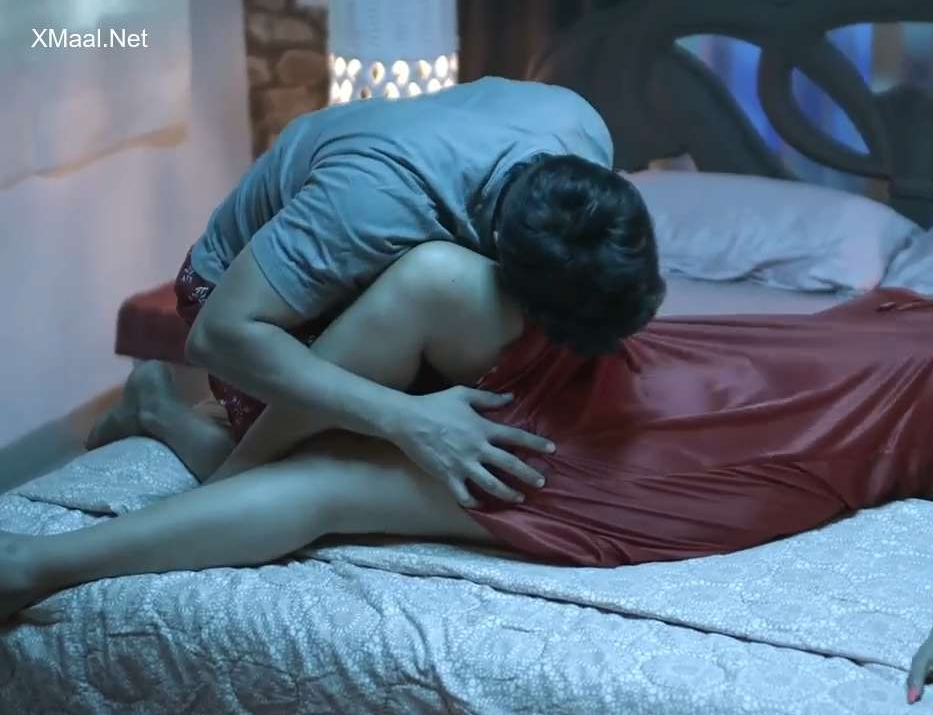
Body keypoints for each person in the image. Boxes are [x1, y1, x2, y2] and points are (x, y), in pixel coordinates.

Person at [2, 242, 933, 715]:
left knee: (336, 487)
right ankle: (203, 456)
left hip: (696, 460)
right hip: (645, 365)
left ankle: (38, 562)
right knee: (431, 277)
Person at [85, 76, 666, 507]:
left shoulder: (578, 124)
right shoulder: (373, 205)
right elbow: (217, 335)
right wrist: (406, 418)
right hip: (242, 300)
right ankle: (158, 409)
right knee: (331, 473)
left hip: (360, 246)